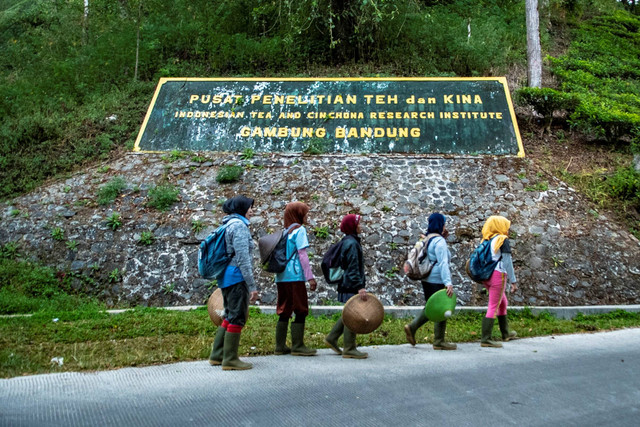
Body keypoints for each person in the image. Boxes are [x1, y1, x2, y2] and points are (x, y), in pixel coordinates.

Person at [208, 195, 259, 370]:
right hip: (237, 277)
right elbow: (243, 259)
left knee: (229, 314)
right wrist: (252, 286)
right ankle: (230, 359)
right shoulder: (239, 227)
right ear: (241, 209)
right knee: (237, 316)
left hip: (226, 276)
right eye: (250, 207)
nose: (252, 211)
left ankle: (217, 355)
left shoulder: (227, 224)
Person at [403, 213, 457, 350]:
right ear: (441, 225)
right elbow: (443, 263)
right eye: (444, 223)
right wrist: (448, 282)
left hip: (426, 278)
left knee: (431, 306)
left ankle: (413, 328)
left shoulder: (428, 238)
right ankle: (438, 341)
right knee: (442, 307)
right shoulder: (439, 242)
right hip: (437, 279)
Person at [274, 202, 318, 356]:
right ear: (298, 214)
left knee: (284, 309)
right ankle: (298, 345)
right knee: (301, 309)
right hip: (295, 276)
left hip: (281, 276)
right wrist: (310, 277)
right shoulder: (299, 231)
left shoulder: (285, 232)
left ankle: (280, 346)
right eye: (305, 214)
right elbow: (302, 255)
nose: (306, 217)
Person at [324, 214, 369, 359]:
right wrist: (360, 286)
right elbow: (353, 267)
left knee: (348, 312)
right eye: (358, 224)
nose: (360, 226)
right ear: (353, 227)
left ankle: (332, 337)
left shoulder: (347, 241)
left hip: (346, 283)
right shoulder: (352, 244)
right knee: (353, 314)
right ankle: (349, 347)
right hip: (351, 284)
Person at [479, 215, 518, 348]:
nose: (508, 229)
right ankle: (486, 338)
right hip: (498, 275)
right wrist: (513, 281)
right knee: (493, 306)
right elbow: (507, 261)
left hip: (486, 276)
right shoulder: (502, 240)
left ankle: (505, 333)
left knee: (503, 302)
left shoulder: (487, 240)